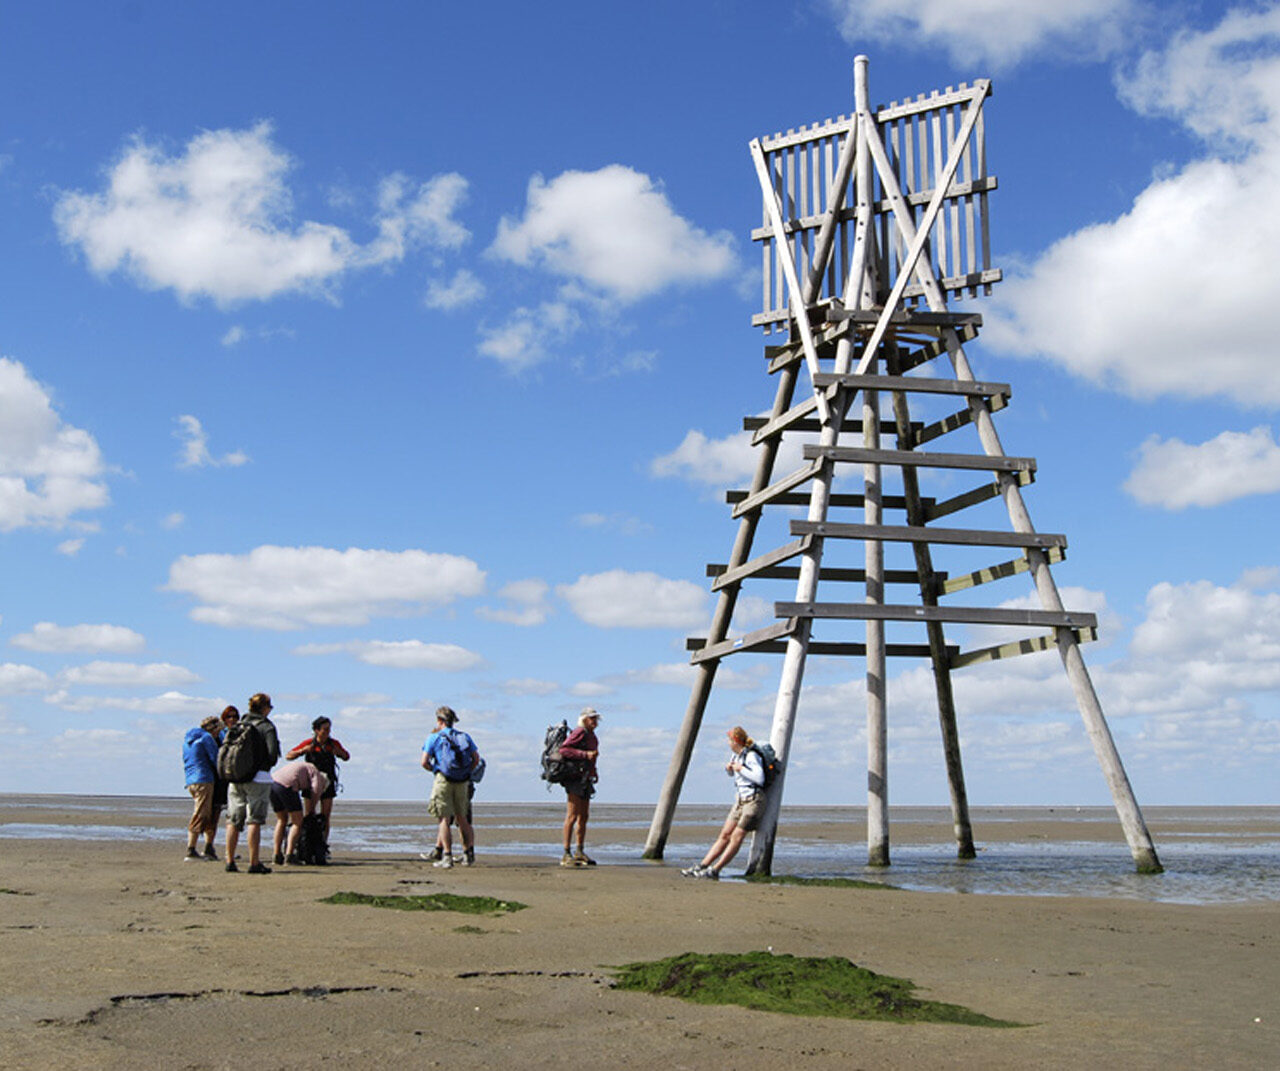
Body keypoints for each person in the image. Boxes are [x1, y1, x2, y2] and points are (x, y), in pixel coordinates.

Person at [682, 726, 766, 880]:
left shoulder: (751, 756)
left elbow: (759, 778)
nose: (727, 743)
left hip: (753, 801)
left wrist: (740, 769)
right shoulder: (735, 756)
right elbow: (734, 775)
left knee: (737, 836)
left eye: (729, 740)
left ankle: (715, 870)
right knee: (725, 834)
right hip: (740, 801)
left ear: (736, 741)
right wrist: (729, 769)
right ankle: (702, 866)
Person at [223, 692, 280, 875]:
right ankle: (254, 862)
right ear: (264, 708)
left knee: (233, 819)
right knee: (254, 820)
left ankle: (229, 860)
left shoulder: (239, 725)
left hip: (236, 777)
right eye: (269, 707)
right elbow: (272, 755)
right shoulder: (266, 726)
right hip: (258, 778)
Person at [419, 706, 478, 869]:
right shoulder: (464, 737)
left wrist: (435, 770)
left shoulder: (434, 737)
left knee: (444, 819)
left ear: (440, 721)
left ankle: (447, 856)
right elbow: (476, 759)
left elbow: (424, 762)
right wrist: (466, 772)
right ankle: (468, 855)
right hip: (463, 781)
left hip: (443, 780)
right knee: (462, 818)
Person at [285, 716, 349, 838]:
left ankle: (323, 844)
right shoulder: (309, 743)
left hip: (328, 782)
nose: (327, 732)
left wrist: (339, 753)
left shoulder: (333, 744)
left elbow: (346, 756)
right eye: (325, 729)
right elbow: (289, 756)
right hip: (310, 782)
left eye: (329, 729)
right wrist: (303, 751)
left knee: (326, 815)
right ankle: (308, 841)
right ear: (316, 730)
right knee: (309, 813)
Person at [559, 708, 601, 868]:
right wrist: (585, 755)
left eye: (596, 719)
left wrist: (594, 771)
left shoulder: (592, 736)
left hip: (586, 778)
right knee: (572, 816)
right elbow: (564, 749)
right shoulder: (579, 732)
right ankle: (566, 853)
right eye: (592, 719)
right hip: (574, 779)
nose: (595, 722)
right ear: (584, 719)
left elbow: (592, 756)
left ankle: (579, 851)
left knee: (584, 816)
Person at [269, 760, 329, 865]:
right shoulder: (319, 776)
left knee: (281, 820)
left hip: (272, 784)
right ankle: (289, 856)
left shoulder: (306, 767)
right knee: (297, 822)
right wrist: (311, 810)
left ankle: (277, 855)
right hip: (287, 786)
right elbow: (315, 790)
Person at [182, 715, 222, 860]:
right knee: (201, 813)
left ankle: (202, 847)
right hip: (204, 778)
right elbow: (215, 758)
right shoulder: (207, 738)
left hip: (191, 779)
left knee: (203, 810)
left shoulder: (189, 740)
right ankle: (191, 849)